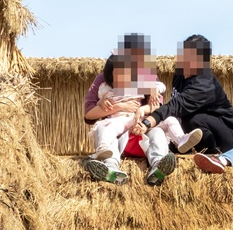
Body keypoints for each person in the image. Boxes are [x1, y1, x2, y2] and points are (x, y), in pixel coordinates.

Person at [83, 51, 202, 185]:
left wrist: (145, 107)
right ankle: (110, 167)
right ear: (110, 74)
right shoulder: (104, 85)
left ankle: (160, 165)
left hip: (142, 131)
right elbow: (89, 113)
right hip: (120, 132)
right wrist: (117, 106)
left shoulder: (143, 81)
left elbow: (157, 106)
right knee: (105, 128)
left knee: (159, 130)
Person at [144, 35, 233, 155]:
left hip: (226, 135)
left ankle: (211, 153)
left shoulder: (205, 84)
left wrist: (148, 122)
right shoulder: (179, 75)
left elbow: (176, 106)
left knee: (192, 119)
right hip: (197, 131)